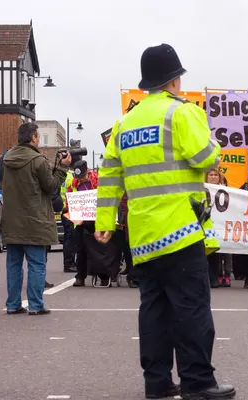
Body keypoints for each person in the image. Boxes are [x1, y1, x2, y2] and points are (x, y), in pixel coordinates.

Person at [94, 43, 235, 400]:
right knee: (191, 309)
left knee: (153, 311)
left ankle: (156, 382)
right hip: (181, 230)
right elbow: (205, 157)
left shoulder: (124, 122)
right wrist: (209, 135)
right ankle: (198, 382)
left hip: (142, 236)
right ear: (174, 80)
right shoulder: (180, 113)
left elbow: (109, 176)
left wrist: (104, 220)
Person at [1, 122, 70, 315]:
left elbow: (0, 184)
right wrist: (62, 168)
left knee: (14, 264)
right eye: (38, 136)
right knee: (36, 264)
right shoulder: (37, 161)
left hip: (12, 221)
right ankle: (36, 305)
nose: (39, 139)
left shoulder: (5, 159)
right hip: (34, 221)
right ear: (33, 138)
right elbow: (51, 186)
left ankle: (13, 304)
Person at [68, 160, 106, 287]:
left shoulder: (98, 180)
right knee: (80, 249)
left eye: (83, 177)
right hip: (80, 221)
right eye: (79, 178)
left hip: (96, 220)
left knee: (100, 249)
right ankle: (80, 277)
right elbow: (70, 200)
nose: (81, 180)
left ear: (87, 172)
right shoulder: (74, 184)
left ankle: (103, 276)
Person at [205, 168, 232, 288]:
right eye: (211, 174)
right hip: (205, 225)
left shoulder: (225, 191)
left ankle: (215, 278)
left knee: (216, 255)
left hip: (219, 226)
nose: (213, 177)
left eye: (216, 175)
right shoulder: (202, 189)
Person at [60, 170, 77, 273]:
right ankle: (69, 264)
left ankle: (69, 263)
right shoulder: (69, 177)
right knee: (70, 238)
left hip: (63, 210)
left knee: (68, 238)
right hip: (68, 210)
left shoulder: (62, 174)